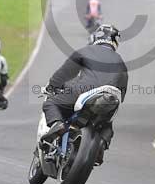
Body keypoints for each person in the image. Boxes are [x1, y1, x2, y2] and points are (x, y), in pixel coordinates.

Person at [40, 24, 128, 162]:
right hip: (110, 98)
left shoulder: (86, 51)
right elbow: (123, 89)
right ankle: (100, 146)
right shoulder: (120, 60)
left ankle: (58, 125)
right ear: (115, 42)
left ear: (96, 37)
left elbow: (62, 75)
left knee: (51, 103)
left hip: (83, 91)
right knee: (106, 123)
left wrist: (51, 87)